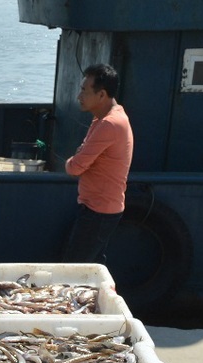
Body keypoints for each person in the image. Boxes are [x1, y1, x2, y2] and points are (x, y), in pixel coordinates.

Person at [62, 63, 134, 263]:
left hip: (98, 212)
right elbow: (83, 157)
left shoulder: (109, 124)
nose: (79, 96)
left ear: (101, 95)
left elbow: (75, 167)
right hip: (100, 208)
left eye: (84, 90)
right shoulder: (104, 118)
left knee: (74, 271)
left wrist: (71, 161)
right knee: (90, 268)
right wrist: (80, 158)